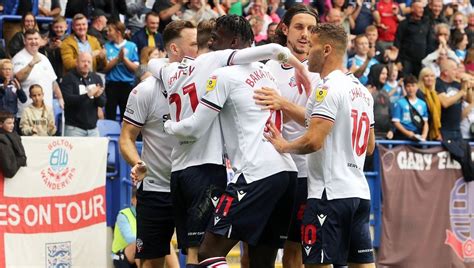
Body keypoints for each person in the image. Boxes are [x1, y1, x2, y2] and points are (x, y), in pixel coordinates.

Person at [153, 14, 311, 266]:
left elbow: (194, 128)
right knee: (262, 262)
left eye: (216, 38)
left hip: (255, 173)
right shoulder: (265, 72)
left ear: (235, 41)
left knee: (207, 253)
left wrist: (169, 126)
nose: (211, 43)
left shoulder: (223, 76)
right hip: (287, 173)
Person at [265, 23, 376, 268]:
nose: (306, 52)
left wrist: (284, 145)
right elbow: (369, 147)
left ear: (326, 50)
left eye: (312, 46)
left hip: (329, 195)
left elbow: (314, 140)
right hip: (358, 194)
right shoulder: (361, 90)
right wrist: (284, 104)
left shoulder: (326, 88)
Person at [119, 20, 196, 268]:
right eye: (194, 44)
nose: (201, 49)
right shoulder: (145, 91)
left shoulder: (206, 85)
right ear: (175, 49)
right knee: (151, 261)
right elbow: (126, 138)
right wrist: (137, 161)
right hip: (155, 189)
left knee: (200, 255)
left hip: (193, 187)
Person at [254, 4, 320, 267]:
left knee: (294, 253)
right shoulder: (266, 67)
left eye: (311, 29)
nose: (305, 34)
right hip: (266, 170)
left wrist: (282, 103)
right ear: (284, 29)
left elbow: (316, 121)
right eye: (299, 27)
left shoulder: (317, 71)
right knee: (255, 251)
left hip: (302, 171)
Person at [12, 29, 63, 126]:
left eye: (36, 38)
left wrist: (60, 98)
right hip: (27, 114)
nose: (34, 42)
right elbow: (17, 78)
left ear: (40, 40)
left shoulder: (44, 58)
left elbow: (53, 82)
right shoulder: (18, 58)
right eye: (30, 39)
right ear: (24, 41)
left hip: (46, 113)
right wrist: (31, 64)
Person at [60, 52, 105, 137]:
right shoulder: (68, 78)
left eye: (89, 62)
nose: (86, 64)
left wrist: (98, 96)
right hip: (74, 128)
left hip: (93, 129)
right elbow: (68, 100)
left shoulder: (96, 78)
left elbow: (102, 103)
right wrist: (87, 95)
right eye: (83, 61)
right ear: (76, 62)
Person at [103, 21, 139, 121]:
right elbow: (104, 69)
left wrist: (124, 60)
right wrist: (117, 59)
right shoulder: (106, 46)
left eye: (110, 30)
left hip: (127, 86)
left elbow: (136, 69)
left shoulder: (132, 46)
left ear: (118, 32)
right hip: (111, 86)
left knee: (127, 118)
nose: (107, 33)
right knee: (110, 117)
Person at [394, 0, 433, 77]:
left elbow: (429, 41)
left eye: (422, 8)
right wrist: (398, 61)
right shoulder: (404, 24)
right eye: (419, 8)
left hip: (421, 60)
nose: (421, 10)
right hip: (406, 60)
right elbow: (397, 42)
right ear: (412, 9)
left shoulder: (426, 23)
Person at [436, 58, 472, 140]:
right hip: (443, 129)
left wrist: (467, 87)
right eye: (454, 69)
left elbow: (469, 100)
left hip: (457, 128)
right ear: (445, 72)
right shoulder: (438, 83)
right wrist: (462, 91)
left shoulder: (457, 84)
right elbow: (445, 103)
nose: (457, 72)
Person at [392, 75, 429, 141]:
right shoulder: (399, 103)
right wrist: (408, 133)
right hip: (403, 136)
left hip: (418, 134)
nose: (411, 89)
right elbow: (396, 122)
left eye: (413, 86)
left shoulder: (422, 104)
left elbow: (425, 122)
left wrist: (424, 135)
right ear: (405, 88)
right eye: (408, 86)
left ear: (417, 87)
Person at [111, 187, 140, 268]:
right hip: (120, 256)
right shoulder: (123, 215)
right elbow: (130, 238)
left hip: (138, 255)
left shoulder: (147, 217)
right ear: (132, 200)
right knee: (138, 244)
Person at [0, 110, 27, 178]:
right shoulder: (2, 141)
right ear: (0, 124)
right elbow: (10, 170)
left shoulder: (14, 136)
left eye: (13, 123)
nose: (12, 125)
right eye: (9, 123)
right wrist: (20, 160)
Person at [45, 16, 68, 83]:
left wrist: (62, 46)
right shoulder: (48, 39)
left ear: (66, 27)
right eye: (56, 27)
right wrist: (50, 48)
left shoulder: (69, 40)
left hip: (63, 71)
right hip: (52, 69)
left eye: (61, 27)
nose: (58, 29)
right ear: (52, 27)